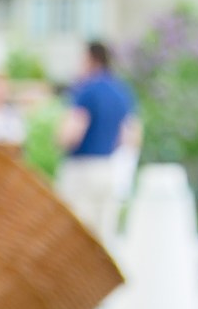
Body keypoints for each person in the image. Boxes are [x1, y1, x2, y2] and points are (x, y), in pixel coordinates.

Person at [57, 40, 141, 252]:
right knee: (105, 235)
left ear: (90, 58)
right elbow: (131, 136)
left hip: (82, 168)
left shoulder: (86, 90)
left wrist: (59, 139)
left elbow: (72, 133)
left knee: (78, 232)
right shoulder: (122, 92)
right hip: (109, 167)